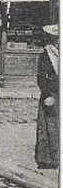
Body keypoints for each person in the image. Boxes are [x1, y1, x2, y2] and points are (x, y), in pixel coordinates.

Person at [35, 24, 59, 170]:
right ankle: (48, 159)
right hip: (50, 95)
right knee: (49, 127)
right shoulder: (46, 55)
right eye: (56, 40)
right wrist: (47, 94)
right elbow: (41, 77)